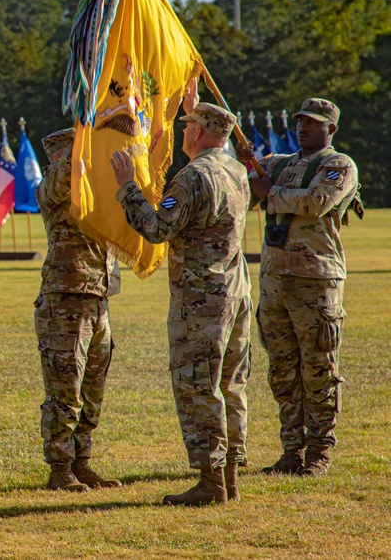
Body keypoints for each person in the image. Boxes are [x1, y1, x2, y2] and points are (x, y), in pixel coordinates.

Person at [110, 85, 252, 505]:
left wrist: (127, 186)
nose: (183, 131)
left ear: (202, 132)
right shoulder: (234, 170)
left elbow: (157, 229)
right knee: (229, 385)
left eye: (188, 125)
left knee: (197, 385)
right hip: (235, 291)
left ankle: (210, 483)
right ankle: (229, 478)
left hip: (201, 299)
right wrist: (197, 110)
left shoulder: (193, 176)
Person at [237, 98, 362, 477]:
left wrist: (269, 192)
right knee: (283, 371)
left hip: (316, 282)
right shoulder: (282, 163)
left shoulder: (338, 165)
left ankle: (318, 453)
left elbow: (318, 202)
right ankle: (290, 449)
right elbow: (248, 183)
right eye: (301, 121)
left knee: (318, 370)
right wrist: (245, 160)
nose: (305, 127)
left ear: (331, 129)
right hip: (275, 282)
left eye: (314, 122)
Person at [33, 128, 122, 493]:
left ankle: (82, 461)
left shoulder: (92, 193)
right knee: (64, 389)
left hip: (97, 299)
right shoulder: (53, 185)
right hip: (65, 301)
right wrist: (89, 127)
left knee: (92, 390)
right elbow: (73, 166)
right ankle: (60, 468)